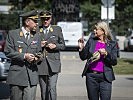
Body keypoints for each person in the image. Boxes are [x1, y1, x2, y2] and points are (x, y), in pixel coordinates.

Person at [4, 10, 42, 100]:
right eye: (35, 21)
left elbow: (40, 53)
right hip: (16, 76)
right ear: (27, 22)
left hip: (31, 76)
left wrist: (37, 58)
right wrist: (24, 56)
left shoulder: (37, 36)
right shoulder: (13, 34)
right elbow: (8, 52)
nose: (37, 24)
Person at [78, 21, 118, 100]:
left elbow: (114, 61)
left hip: (105, 77)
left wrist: (106, 54)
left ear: (103, 31)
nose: (94, 31)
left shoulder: (112, 44)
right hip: (91, 77)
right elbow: (83, 57)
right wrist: (81, 48)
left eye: (96, 29)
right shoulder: (91, 41)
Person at [37, 11, 65, 100]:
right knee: (43, 90)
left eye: (47, 19)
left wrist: (55, 46)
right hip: (41, 64)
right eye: (43, 19)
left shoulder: (57, 29)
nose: (45, 21)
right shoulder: (37, 30)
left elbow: (63, 45)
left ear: (51, 19)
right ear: (40, 19)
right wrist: (39, 45)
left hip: (53, 63)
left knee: (52, 88)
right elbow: (31, 45)